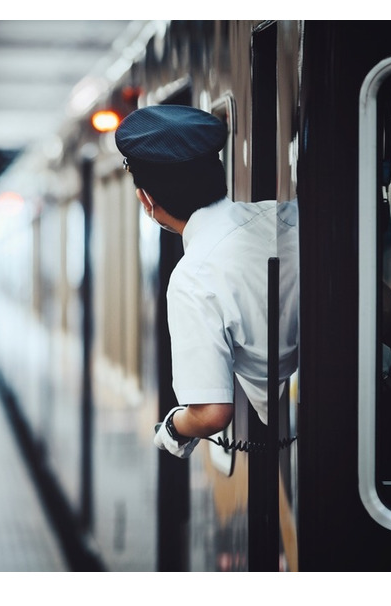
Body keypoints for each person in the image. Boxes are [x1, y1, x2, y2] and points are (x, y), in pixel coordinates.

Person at [114, 104, 299, 459]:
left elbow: (211, 413)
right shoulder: (287, 216)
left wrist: (171, 429)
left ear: (146, 200)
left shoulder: (192, 278)